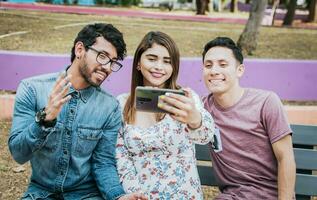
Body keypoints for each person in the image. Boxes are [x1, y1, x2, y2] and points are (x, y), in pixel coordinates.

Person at [8, 23, 147, 200]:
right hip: (40, 192)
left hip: (86, 194)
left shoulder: (109, 107)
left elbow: (103, 162)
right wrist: (45, 120)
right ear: (80, 49)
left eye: (113, 62)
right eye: (103, 56)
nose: (107, 67)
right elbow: (19, 154)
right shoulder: (32, 89)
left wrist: (117, 196)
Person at [115, 31, 215, 199]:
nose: (159, 67)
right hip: (140, 196)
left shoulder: (186, 98)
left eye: (167, 61)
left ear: (173, 67)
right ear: (138, 63)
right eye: (152, 59)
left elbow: (205, 136)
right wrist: (136, 193)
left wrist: (194, 119)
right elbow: (121, 158)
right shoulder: (122, 104)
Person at [202, 37, 296, 199]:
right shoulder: (203, 108)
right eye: (208, 65)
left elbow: (285, 157)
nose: (214, 71)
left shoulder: (266, 102)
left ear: (240, 70)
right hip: (230, 196)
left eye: (223, 64)